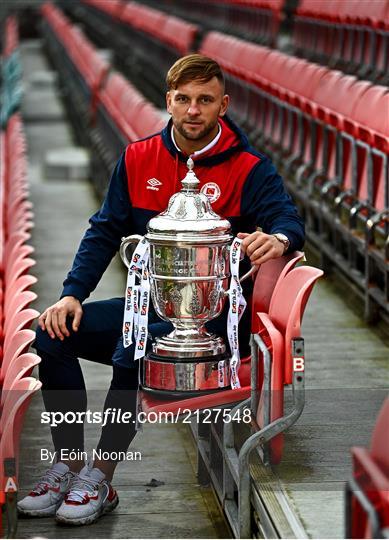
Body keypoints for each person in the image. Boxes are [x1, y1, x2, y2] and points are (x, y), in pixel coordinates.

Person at [18, 54, 304, 525]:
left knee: (131, 348)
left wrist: (276, 238)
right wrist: (72, 294)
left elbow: (290, 220)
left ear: (223, 105)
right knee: (51, 334)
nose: (194, 110)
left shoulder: (250, 168)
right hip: (146, 307)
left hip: (210, 326)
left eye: (205, 100)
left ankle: (102, 477)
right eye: (184, 99)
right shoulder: (137, 158)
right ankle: (68, 465)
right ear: (168, 101)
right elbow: (105, 230)